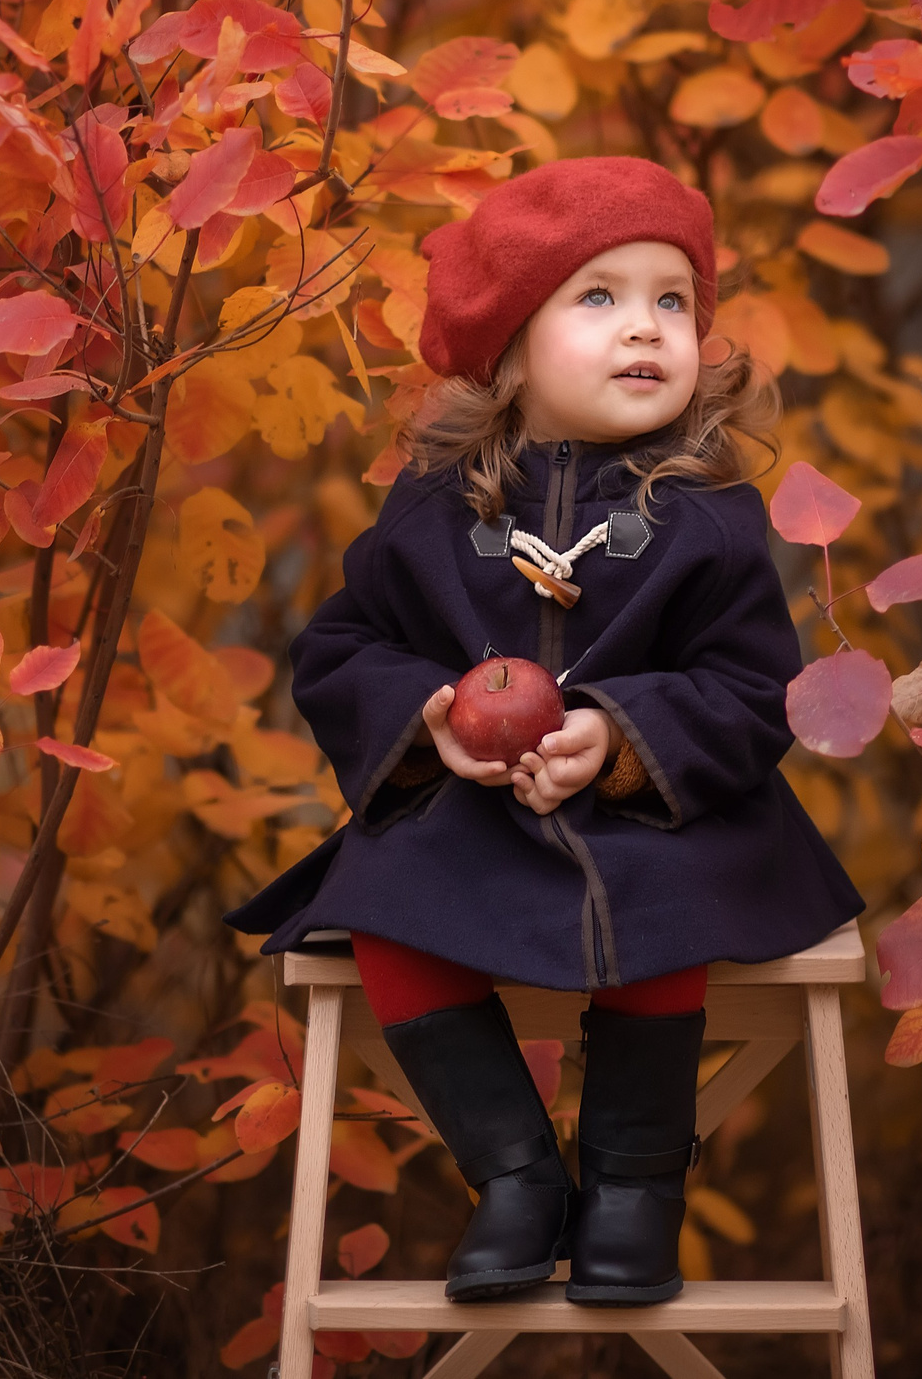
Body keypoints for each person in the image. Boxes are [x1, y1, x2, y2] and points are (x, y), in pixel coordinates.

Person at [224, 156, 864, 1305]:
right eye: (600, 297)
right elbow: (340, 649)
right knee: (387, 893)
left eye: (672, 299)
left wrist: (621, 735)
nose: (647, 328)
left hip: (659, 807)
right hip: (483, 809)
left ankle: (631, 1180)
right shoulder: (434, 506)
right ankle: (514, 1171)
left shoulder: (707, 516)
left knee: (669, 901)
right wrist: (428, 715)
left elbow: (753, 682)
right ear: (509, 348)